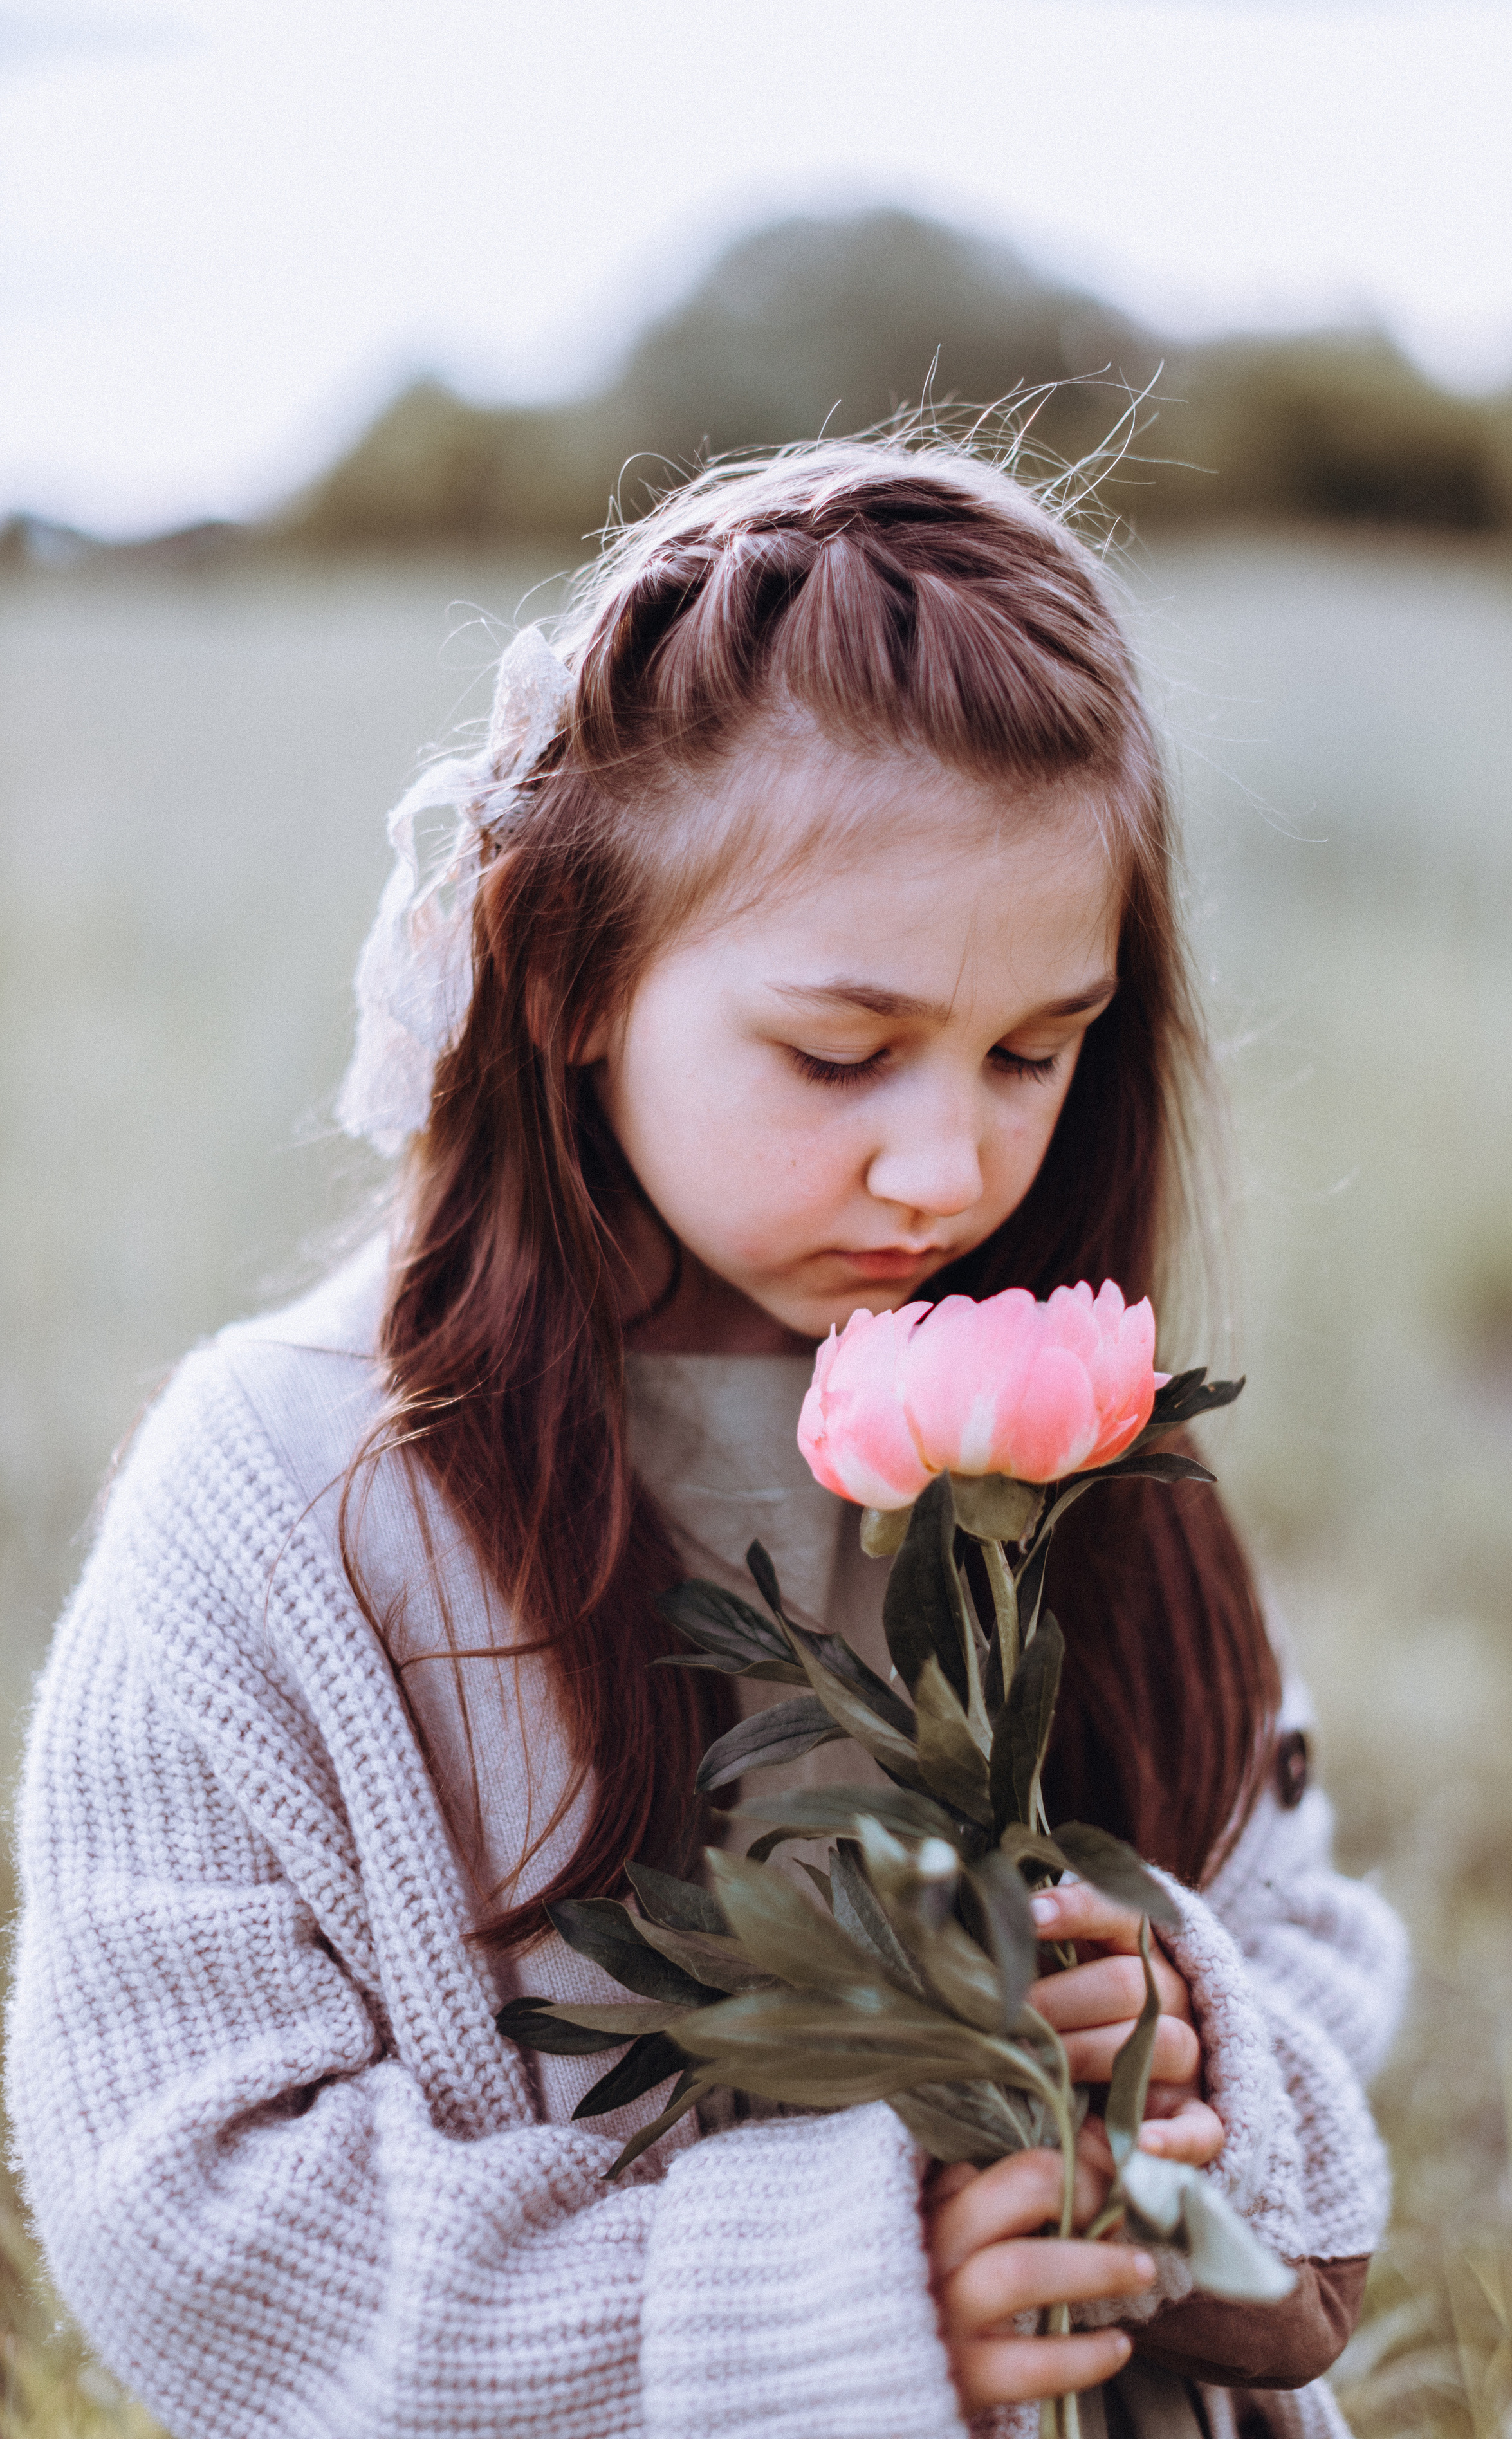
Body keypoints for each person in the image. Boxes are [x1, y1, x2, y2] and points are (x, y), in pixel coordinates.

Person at [8, 441, 1405, 2439]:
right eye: (841, 1053)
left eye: (1037, 1050)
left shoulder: (1050, 1418)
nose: (948, 1168)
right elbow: (192, 2213)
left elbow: (1304, 1933)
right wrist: (827, 2307)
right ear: (566, 972)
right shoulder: (279, 1501)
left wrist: (1184, 2052)